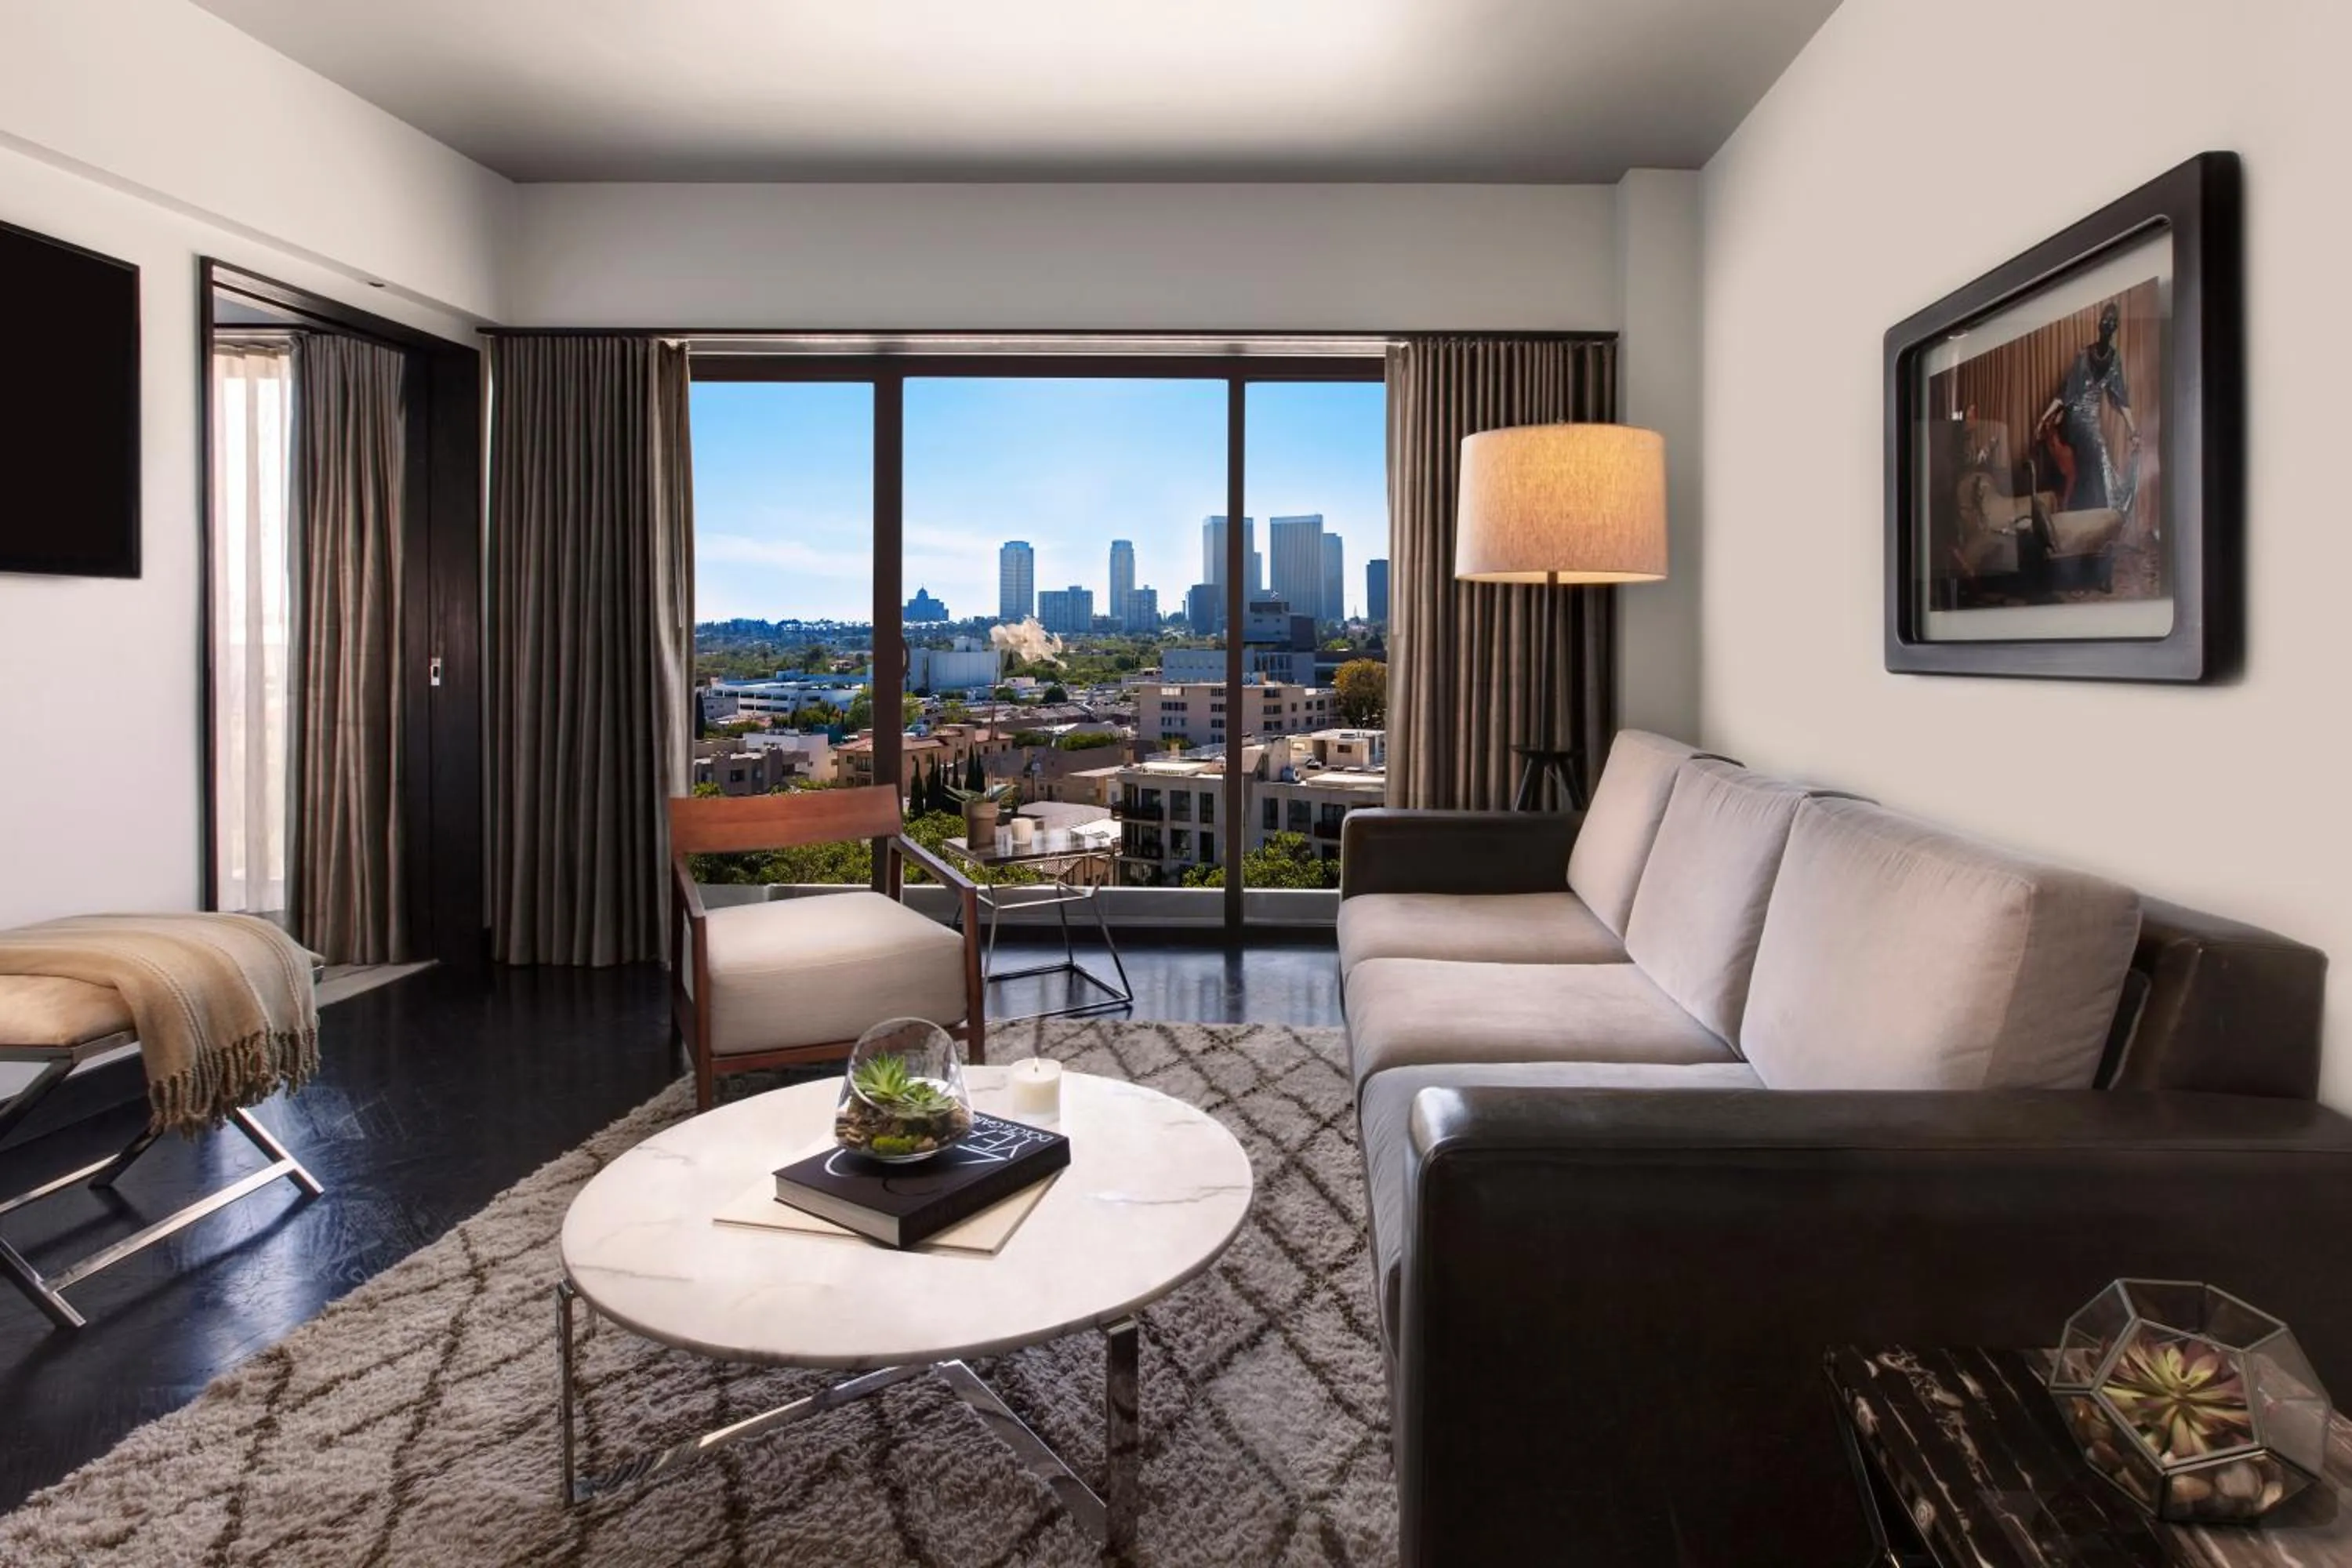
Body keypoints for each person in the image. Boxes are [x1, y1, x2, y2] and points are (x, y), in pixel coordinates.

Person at [2036, 300, 2140, 512]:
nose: (2107, 325)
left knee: (2095, 457)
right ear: (2099, 325)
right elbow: (2065, 394)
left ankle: (2093, 509)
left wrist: (2134, 431)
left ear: (2115, 328)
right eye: (2104, 320)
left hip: (2092, 419)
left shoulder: (2115, 360)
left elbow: (2122, 399)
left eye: (2112, 322)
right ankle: (2108, 507)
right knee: (2099, 448)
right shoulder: (2084, 356)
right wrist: (2044, 417)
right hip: (2075, 417)